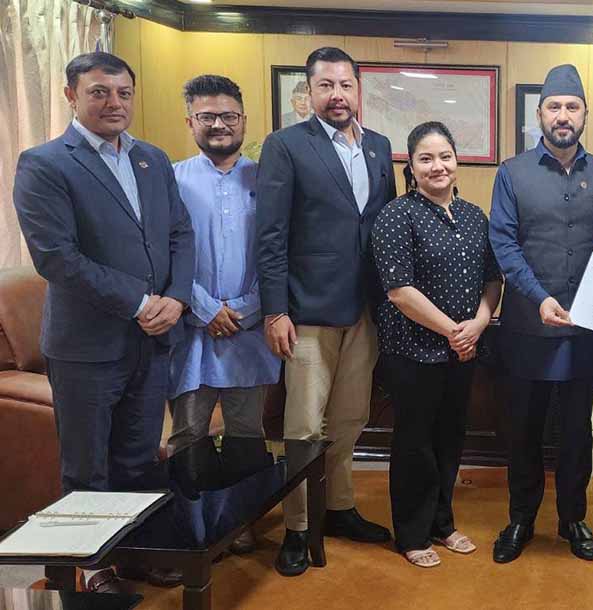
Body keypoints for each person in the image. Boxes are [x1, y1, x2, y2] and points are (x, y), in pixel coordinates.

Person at [13, 51, 194, 592]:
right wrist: (141, 303)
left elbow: (179, 234)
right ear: (72, 95)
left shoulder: (152, 159)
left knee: (139, 460)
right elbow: (57, 258)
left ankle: (135, 553)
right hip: (87, 347)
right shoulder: (44, 164)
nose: (114, 103)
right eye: (99, 92)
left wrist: (177, 299)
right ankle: (93, 569)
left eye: (123, 93)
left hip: (153, 341)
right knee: (86, 468)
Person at [256, 46, 397, 577]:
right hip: (307, 312)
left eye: (345, 85)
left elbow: (383, 225)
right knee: (303, 424)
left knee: (350, 417)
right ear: (309, 92)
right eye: (326, 85)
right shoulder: (286, 146)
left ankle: (337, 506)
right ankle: (297, 526)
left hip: (366, 309)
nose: (337, 95)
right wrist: (275, 311)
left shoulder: (379, 147)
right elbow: (270, 235)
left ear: (358, 89)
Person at [489, 64, 593, 564]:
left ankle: (573, 518)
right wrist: (538, 296)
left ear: (585, 114)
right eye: (554, 107)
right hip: (528, 326)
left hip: (585, 331)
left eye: (571, 106)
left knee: (576, 432)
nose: (562, 115)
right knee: (523, 431)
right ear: (540, 115)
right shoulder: (512, 173)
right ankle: (521, 519)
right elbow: (504, 244)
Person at [372, 121, 502, 568]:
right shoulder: (396, 215)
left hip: (463, 350)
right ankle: (411, 533)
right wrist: (453, 330)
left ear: (456, 160)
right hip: (412, 350)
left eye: (445, 156)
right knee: (415, 443)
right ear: (411, 167)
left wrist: (478, 325)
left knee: (450, 438)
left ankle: (442, 523)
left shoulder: (473, 216)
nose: (437, 166)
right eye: (425, 158)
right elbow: (398, 290)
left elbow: (492, 279)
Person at [168, 74, 281, 555]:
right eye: (207, 116)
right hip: (190, 326)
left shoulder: (266, 179)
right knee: (189, 431)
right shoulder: (171, 179)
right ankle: (190, 529)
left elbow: (278, 250)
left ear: (243, 120)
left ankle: (240, 521)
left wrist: (246, 307)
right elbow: (162, 254)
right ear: (190, 121)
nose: (219, 125)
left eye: (228, 116)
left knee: (246, 431)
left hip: (249, 329)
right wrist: (206, 308)